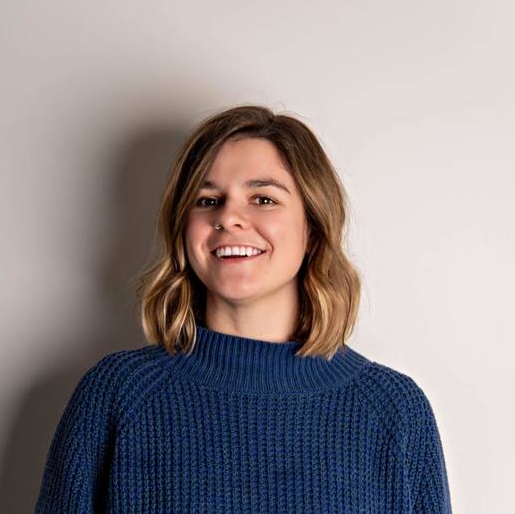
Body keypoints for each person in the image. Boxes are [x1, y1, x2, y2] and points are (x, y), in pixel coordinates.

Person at [35, 104, 452, 513]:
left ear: (311, 229)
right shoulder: (117, 396)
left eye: (263, 199)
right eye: (207, 200)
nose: (229, 217)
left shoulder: (393, 411)